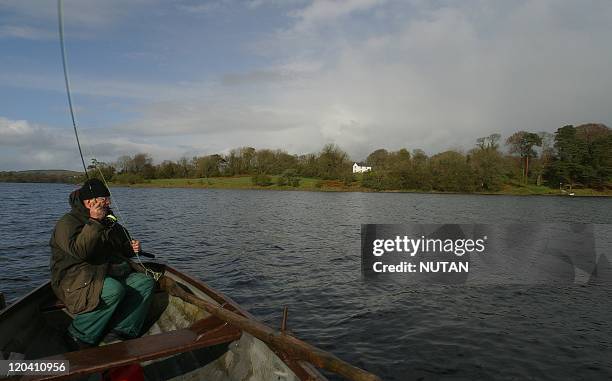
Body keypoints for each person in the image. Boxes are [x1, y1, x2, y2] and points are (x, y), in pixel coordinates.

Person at [49, 178, 155, 349]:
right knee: (113, 290)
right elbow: (80, 252)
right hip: (73, 281)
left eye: (108, 198)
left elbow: (121, 248)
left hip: (103, 273)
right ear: (90, 202)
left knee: (145, 282)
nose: (108, 202)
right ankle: (77, 335)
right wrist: (94, 222)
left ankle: (121, 330)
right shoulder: (67, 223)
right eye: (104, 198)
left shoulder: (109, 220)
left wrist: (132, 248)